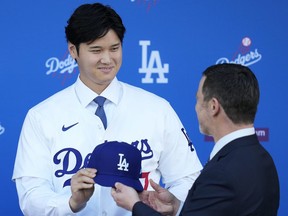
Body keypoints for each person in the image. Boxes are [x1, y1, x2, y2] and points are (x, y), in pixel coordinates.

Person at [12, 2, 203, 216]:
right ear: (73, 50)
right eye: (96, 50)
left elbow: (189, 179)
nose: (107, 59)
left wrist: (170, 204)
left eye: (114, 48)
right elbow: (31, 196)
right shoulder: (41, 116)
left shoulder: (157, 108)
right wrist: (71, 202)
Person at [111, 63, 280, 216]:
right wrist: (177, 206)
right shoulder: (264, 160)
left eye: (198, 99)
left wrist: (135, 205)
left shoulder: (221, 173)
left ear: (213, 107)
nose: (196, 107)